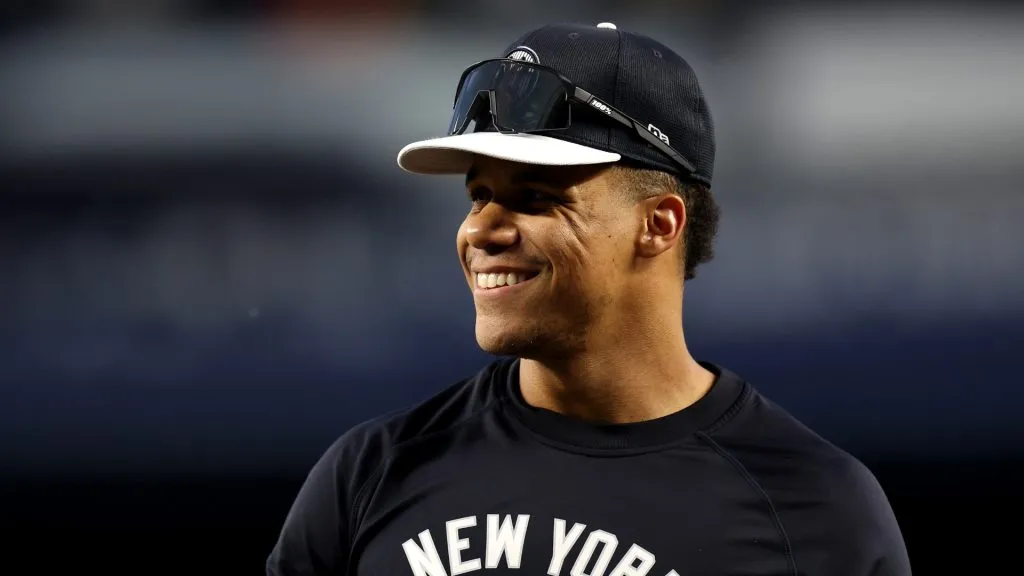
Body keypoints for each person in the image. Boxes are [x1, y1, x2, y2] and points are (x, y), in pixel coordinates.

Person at [267, 22, 911, 576]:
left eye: (537, 198)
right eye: (478, 195)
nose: (480, 230)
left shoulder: (811, 509)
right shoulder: (371, 474)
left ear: (659, 224)